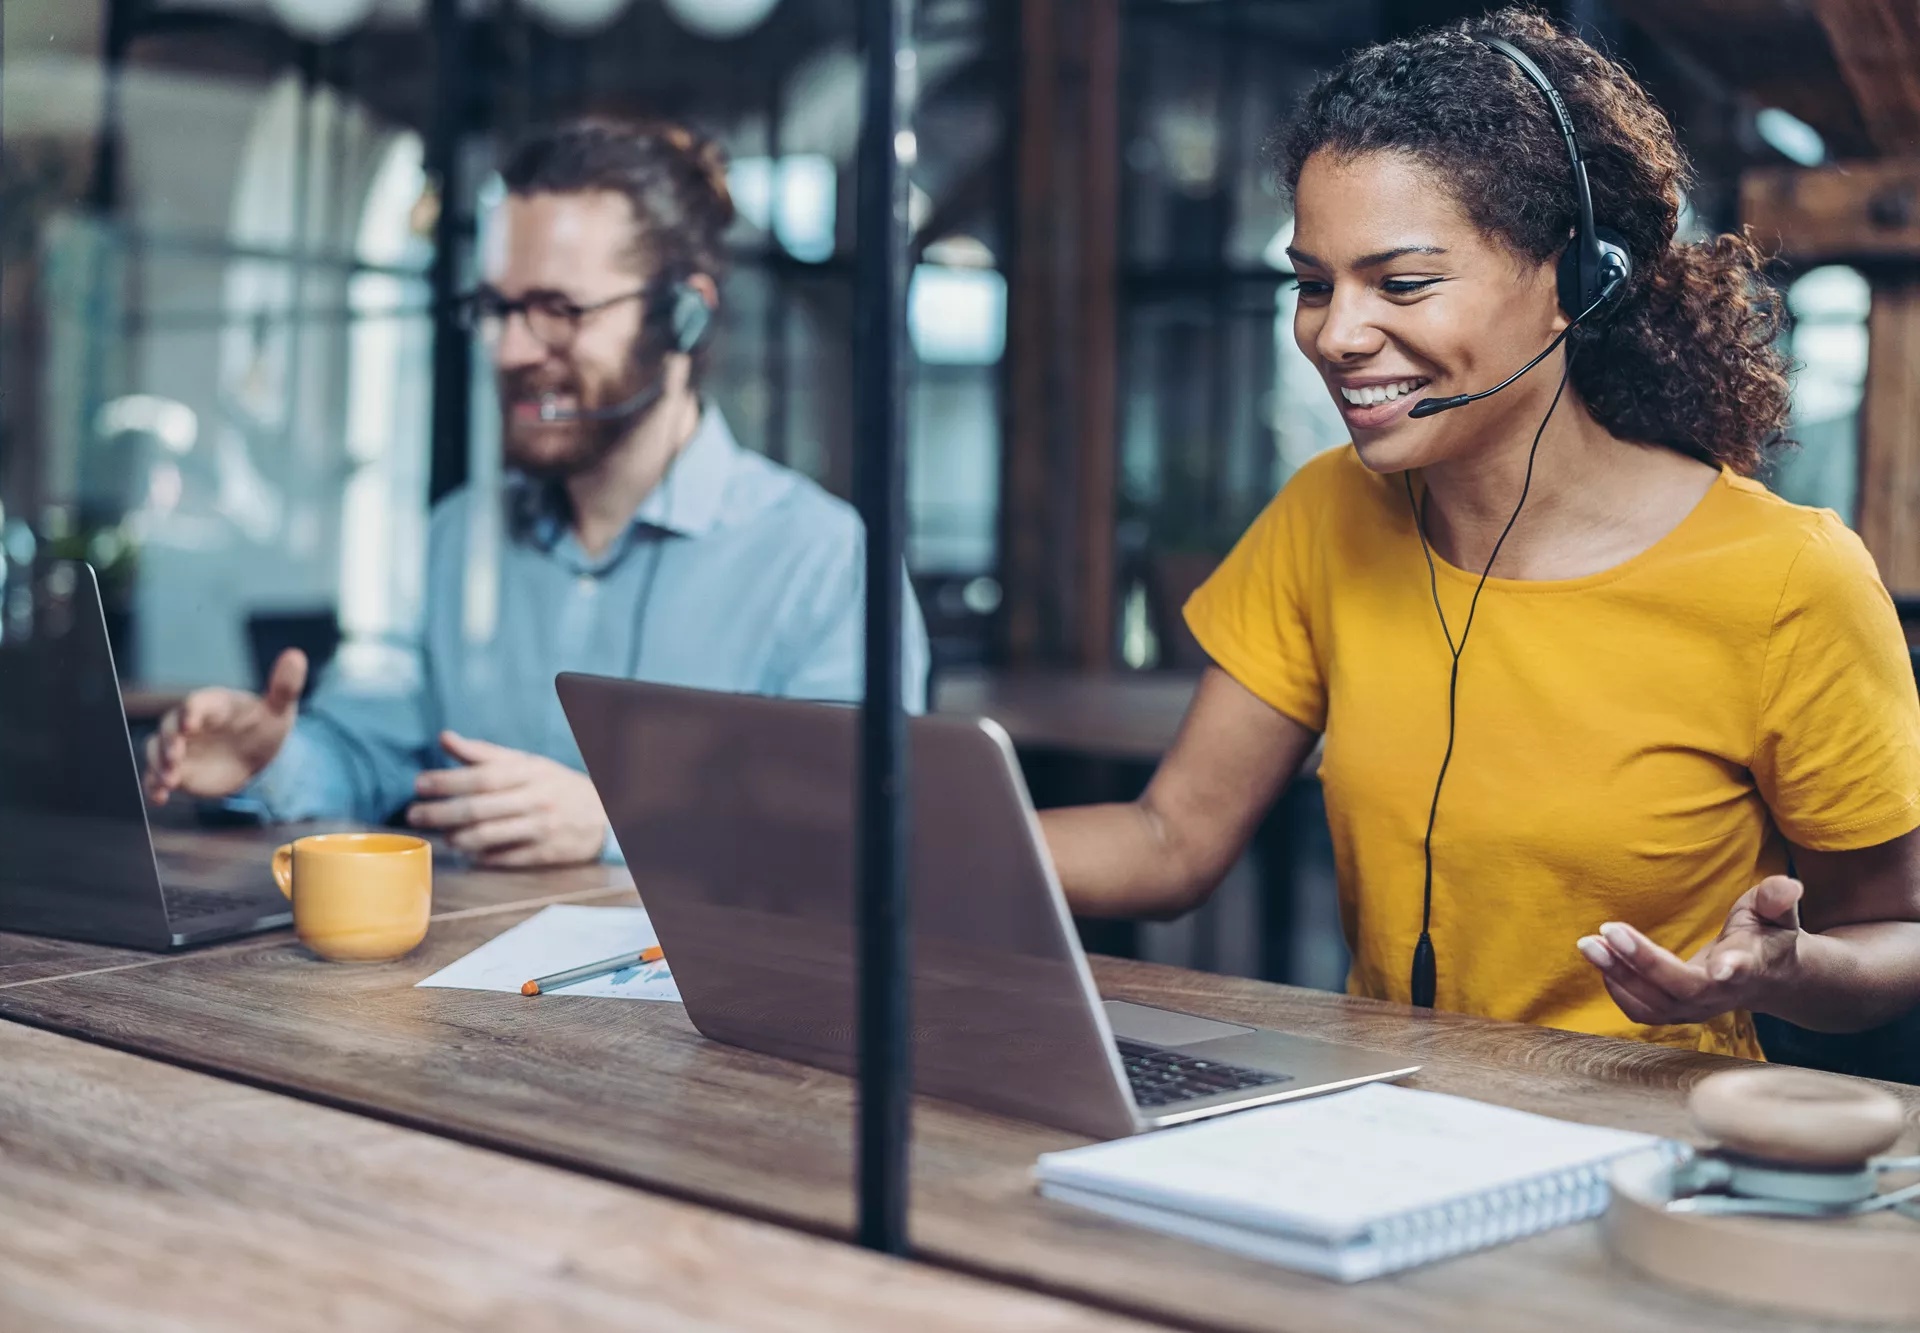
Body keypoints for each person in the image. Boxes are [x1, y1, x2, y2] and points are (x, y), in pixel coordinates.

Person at [1042, 9, 1920, 1059]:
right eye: (1313, 284)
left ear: (1573, 282)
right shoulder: (1327, 514)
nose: (1337, 334)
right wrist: (881, 830)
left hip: (1644, 1163)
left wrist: (1787, 969)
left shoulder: (1786, 577)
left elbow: (1893, 935)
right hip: (1379, 1127)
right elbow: (1168, 840)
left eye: (1401, 282)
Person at [144, 117, 930, 868]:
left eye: (560, 310)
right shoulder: (459, 537)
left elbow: (856, 830)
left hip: (702, 1007)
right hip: (468, 996)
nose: (514, 349)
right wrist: (270, 760)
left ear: (686, 316)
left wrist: (615, 823)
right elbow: (377, 753)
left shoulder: (823, 561)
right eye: (499, 308)